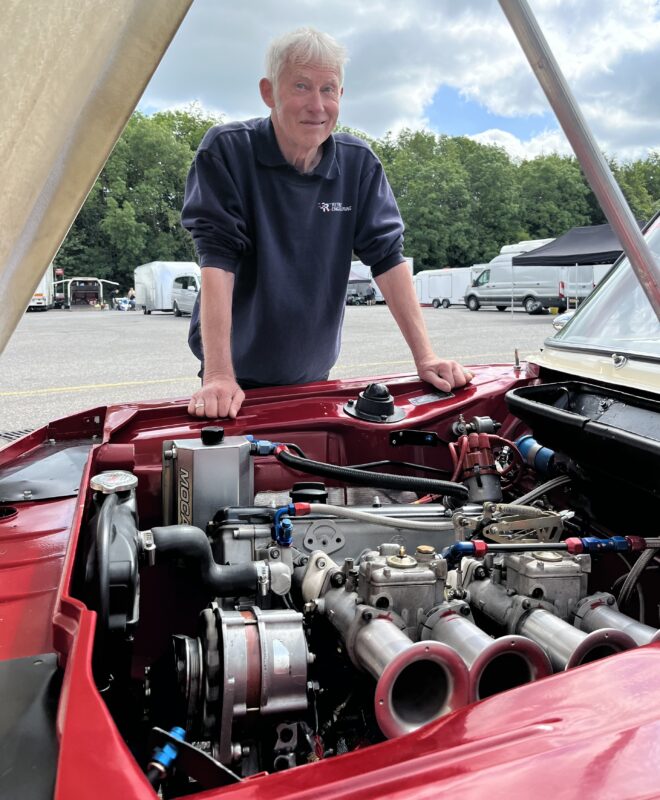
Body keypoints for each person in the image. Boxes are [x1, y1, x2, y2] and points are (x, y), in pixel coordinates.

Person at [181, 27, 472, 419]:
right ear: (269, 92)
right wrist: (217, 375)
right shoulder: (227, 151)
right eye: (301, 86)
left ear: (341, 96)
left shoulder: (358, 164)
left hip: (317, 376)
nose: (317, 106)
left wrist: (426, 357)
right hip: (237, 385)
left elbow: (387, 258)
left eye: (328, 89)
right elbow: (217, 259)